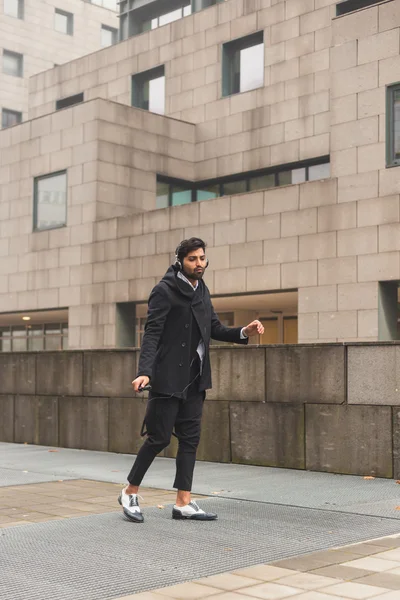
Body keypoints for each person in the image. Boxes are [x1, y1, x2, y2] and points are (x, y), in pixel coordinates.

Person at [118, 237, 264, 523]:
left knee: (190, 440)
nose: (199, 264)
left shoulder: (202, 291)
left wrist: (243, 332)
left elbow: (214, 329)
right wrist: (144, 371)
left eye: (202, 258)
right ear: (180, 261)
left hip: (195, 379)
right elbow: (152, 334)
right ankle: (129, 490)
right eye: (192, 259)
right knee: (158, 438)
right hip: (167, 378)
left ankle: (183, 502)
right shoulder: (164, 291)